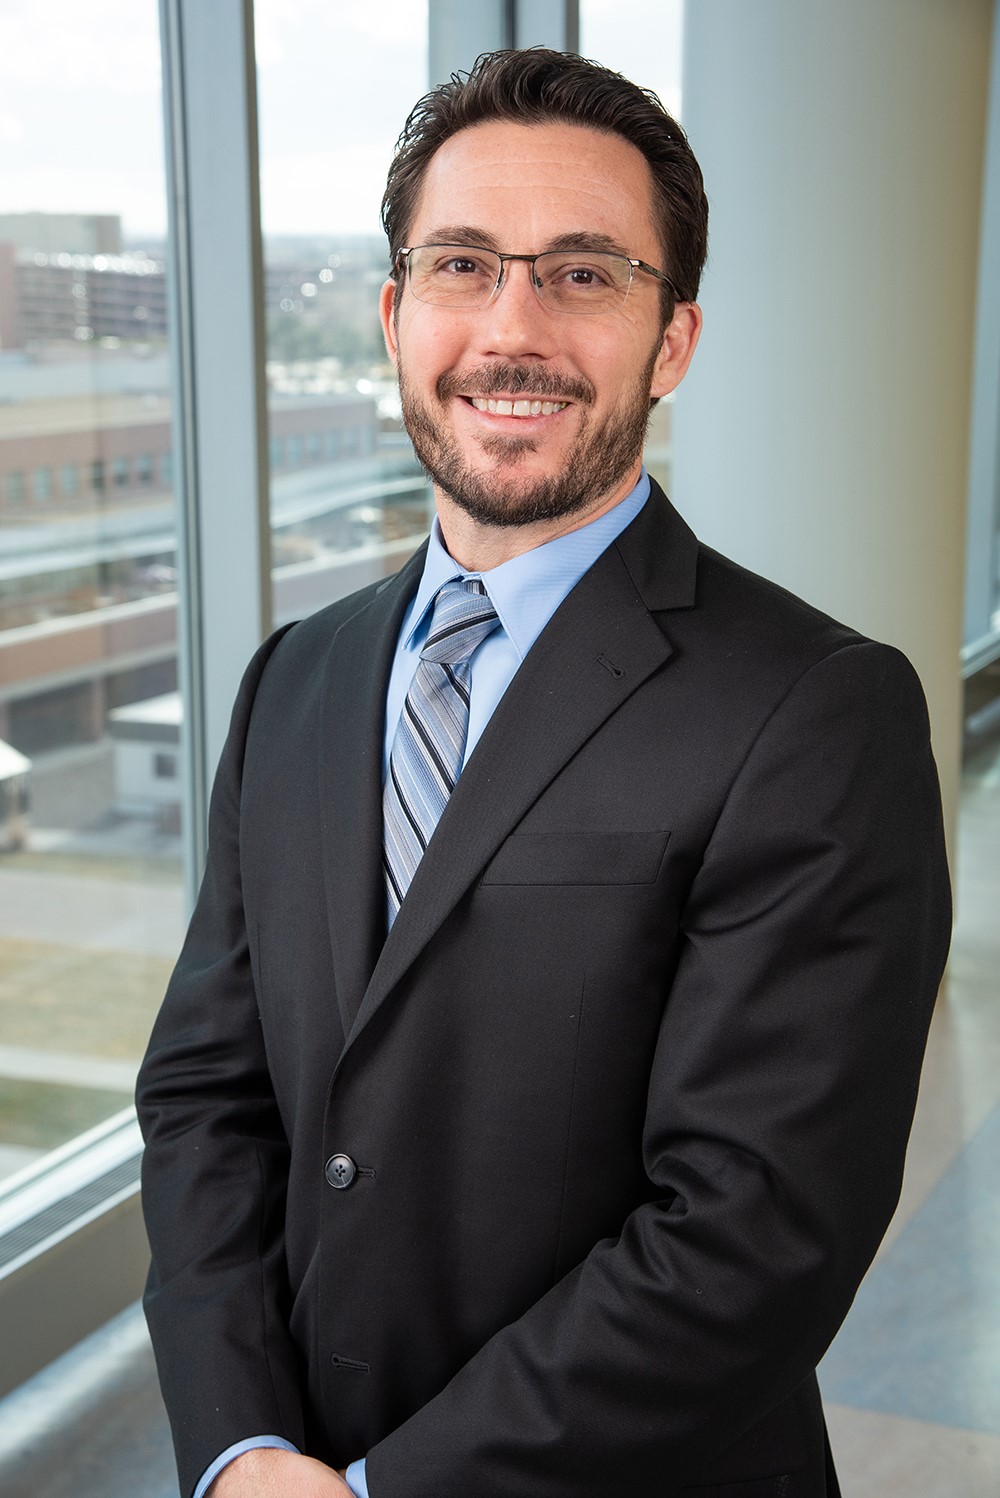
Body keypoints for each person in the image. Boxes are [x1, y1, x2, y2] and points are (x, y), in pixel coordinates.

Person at [137, 47, 952, 1498]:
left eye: (584, 273)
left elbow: (751, 1229)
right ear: (395, 316)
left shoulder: (818, 712)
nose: (512, 329)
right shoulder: (293, 683)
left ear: (674, 338)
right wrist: (243, 1444)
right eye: (463, 264)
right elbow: (210, 1096)